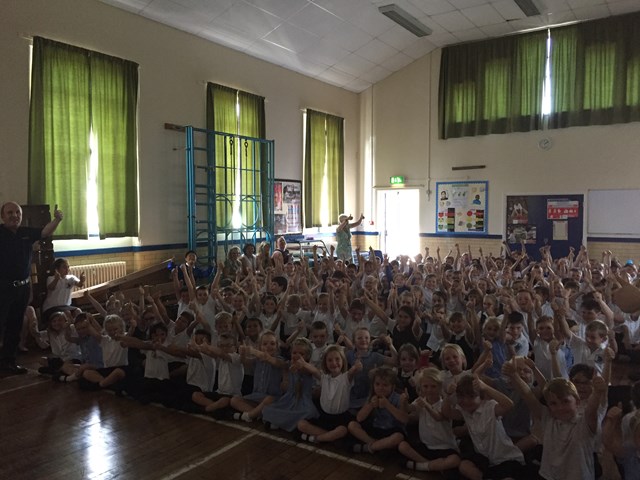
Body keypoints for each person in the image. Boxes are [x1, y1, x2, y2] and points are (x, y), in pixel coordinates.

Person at [0, 201, 63, 374]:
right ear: (3, 216)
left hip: (22, 288)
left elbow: (44, 232)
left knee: (15, 327)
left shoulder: (25, 232)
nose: (14, 216)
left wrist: (57, 220)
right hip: (3, 289)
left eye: (17, 213)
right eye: (10, 212)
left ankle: (9, 363)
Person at [41, 258, 85, 324]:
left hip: (66, 306)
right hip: (51, 307)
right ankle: (74, 329)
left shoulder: (71, 278)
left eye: (68, 267)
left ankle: (79, 328)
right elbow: (51, 288)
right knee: (66, 313)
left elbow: (79, 284)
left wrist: (82, 280)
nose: (67, 269)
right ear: (57, 269)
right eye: (64, 267)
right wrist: (56, 279)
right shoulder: (51, 278)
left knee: (78, 311)